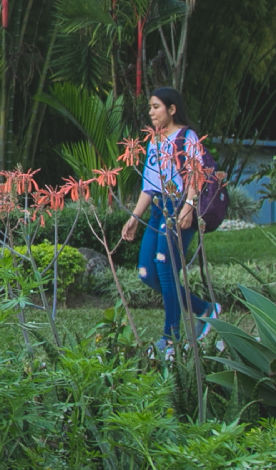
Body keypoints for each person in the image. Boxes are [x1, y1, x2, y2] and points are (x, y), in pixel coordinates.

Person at [121, 87, 220, 353]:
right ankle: (205, 309)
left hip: (179, 208)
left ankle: (170, 336)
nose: (151, 112)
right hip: (158, 209)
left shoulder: (187, 137)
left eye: (156, 107)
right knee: (146, 272)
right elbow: (149, 186)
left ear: (172, 109)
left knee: (166, 270)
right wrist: (134, 218)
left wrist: (188, 208)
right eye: (151, 107)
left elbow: (196, 175)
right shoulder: (153, 141)